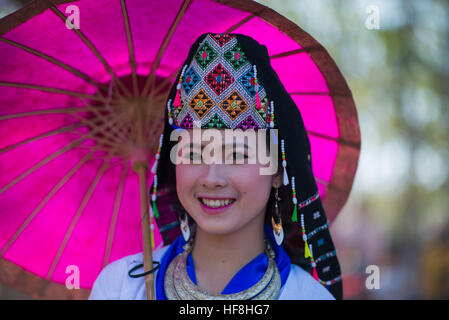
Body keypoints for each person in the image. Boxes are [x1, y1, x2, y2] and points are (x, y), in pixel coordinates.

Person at [89, 33, 342, 300]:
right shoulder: (121, 288)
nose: (212, 177)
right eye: (194, 154)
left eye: (236, 155)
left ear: (278, 171)